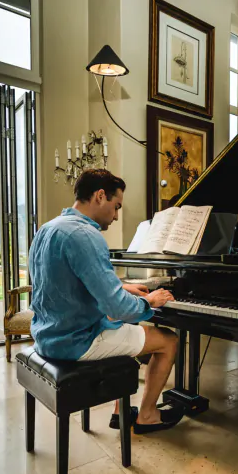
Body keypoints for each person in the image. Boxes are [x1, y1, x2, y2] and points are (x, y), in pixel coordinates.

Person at [29, 169, 182, 433]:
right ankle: (147, 415)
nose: (116, 215)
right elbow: (119, 308)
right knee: (168, 341)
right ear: (100, 196)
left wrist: (122, 286)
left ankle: (120, 410)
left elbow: (69, 280)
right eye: (116, 206)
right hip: (76, 342)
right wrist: (150, 302)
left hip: (46, 336)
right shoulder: (86, 236)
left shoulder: (48, 229)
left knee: (131, 334)